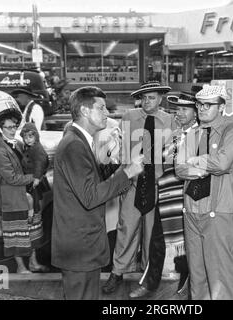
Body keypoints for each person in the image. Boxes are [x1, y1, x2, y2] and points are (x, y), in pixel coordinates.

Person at [52, 86, 143, 300]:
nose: (107, 113)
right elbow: (90, 196)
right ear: (84, 111)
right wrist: (127, 173)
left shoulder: (79, 140)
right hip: (79, 247)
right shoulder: (74, 145)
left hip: (83, 246)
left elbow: (88, 184)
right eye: (101, 108)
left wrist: (119, 167)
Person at [102, 81, 176, 298]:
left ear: (160, 99)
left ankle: (147, 274)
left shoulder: (170, 121)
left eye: (151, 97)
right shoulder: (129, 117)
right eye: (144, 97)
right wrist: (125, 177)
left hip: (158, 184)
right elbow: (124, 151)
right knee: (126, 228)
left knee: (151, 234)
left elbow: (173, 153)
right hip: (134, 182)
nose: (146, 101)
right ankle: (117, 272)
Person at [175, 84, 233, 300]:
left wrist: (195, 161)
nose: (202, 108)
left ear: (222, 107)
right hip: (191, 212)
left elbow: (223, 163)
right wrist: (201, 168)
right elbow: (179, 168)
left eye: (208, 105)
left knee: (224, 275)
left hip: (218, 211)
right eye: (199, 104)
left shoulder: (232, 130)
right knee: (197, 274)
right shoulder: (193, 133)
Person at [0, 108, 46, 274]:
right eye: (9, 127)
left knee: (32, 231)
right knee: (16, 235)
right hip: (12, 197)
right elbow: (12, 178)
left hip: (26, 195)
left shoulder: (19, 144)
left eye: (14, 126)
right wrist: (34, 177)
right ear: (0, 129)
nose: (13, 130)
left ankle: (34, 263)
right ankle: (21, 268)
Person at [163, 90, 200, 294]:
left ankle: (192, 286)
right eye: (178, 109)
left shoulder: (200, 134)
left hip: (190, 198)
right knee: (182, 246)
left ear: (196, 112)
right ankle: (185, 281)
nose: (179, 113)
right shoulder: (178, 134)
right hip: (173, 197)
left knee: (191, 244)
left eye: (185, 109)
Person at [20, 122, 50, 221]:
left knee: (36, 199)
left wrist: (37, 178)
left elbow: (39, 164)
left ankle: (35, 216)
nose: (28, 140)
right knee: (32, 199)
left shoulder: (37, 149)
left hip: (35, 180)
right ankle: (32, 214)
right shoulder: (30, 148)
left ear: (35, 137)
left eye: (30, 137)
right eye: (25, 137)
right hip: (30, 178)